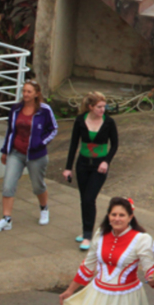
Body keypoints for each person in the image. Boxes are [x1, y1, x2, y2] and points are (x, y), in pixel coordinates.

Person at [0, 80, 57, 232]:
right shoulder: (15, 109)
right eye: (24, 91)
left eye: (29, 91)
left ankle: (44, 209)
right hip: (16, 153)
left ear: (36, 94)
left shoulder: (45, 110)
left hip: (36, 155)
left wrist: (41, 143)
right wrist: (4, 151)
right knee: (8, 185)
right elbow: (10, 131)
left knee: (37, 185)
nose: (25, 94)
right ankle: (6, 219)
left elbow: (53, 129)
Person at [62, 91, 119, 250]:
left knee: (89, 198)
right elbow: (73, 145)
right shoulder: (80, 120)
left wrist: (106, 161)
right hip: (83, 165)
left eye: (104, 106)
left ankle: (88, 236)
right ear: (90, 107)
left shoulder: (109, 122)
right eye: (99, 107)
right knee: (84, 199)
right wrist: (68, 168)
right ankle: (86, 230)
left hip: (99, 166)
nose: (103, 110)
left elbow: (114, 145)